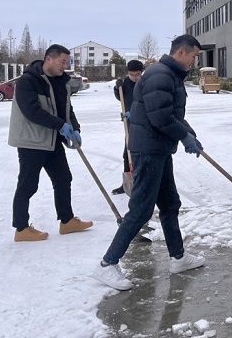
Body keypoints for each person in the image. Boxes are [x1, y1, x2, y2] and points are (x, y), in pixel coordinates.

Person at [93, 34, 205, 291]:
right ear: (181, 53)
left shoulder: (167, 75)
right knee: (142, 209)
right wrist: (183, 135)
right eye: (193, 56)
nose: (194, 61)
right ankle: (107, 264)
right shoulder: (160, 75)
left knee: (169, 204)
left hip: (159, 149)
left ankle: (178, 257)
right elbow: (161, 118)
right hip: (149, 150)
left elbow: (171, 114)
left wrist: (189, 133)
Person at [8, 44, 93, 242]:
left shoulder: (62, 82)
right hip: (31, 141)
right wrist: (61, 126)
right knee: (28, 185)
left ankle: (67, 221)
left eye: (68, 62)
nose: (66, 66)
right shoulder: (27, 82)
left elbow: (67, 109)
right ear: (49, 59)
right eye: (63, 61)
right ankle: (21, 229)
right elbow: (32, 112)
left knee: (64, 178)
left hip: (52, 139)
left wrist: (75, 128)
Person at [111, 59, 145, 195]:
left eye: (137, 75)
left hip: (144, 125)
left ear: (142, 72)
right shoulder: (126, 84)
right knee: (127, 153)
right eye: (132, 75)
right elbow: (121, 98)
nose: (135, 78)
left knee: (141, 154)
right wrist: (117, 88)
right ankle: (127, 183)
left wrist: (136, 113)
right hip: (130, 124)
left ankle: (142, 181)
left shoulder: (146, 83)